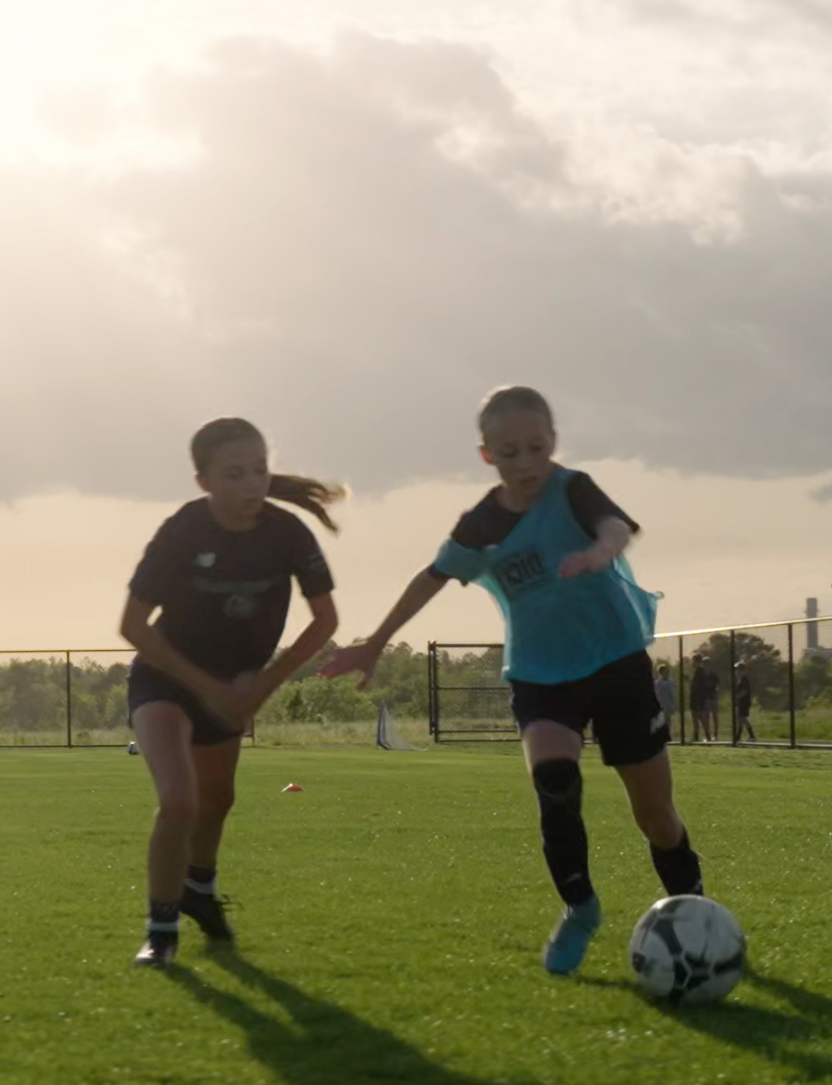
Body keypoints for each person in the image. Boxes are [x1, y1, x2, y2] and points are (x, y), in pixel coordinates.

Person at [323, 385, 703, 976]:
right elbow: (431, 577)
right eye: (509, 452)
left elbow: (616, 527)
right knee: (553, 778)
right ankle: (581, 908)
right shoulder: (482, 524)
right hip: (541, 675)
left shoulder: (572, 488)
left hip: (618, 663)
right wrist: (373, 642)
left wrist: (603, 551)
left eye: (536, 447)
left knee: (655, 816)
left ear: (554, 443)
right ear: (486, 456)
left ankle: (693, 907)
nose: (525, 464)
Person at [120, 416, 342, 967]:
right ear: (204, 482)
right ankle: (162, 930)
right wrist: (214, 688)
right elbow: (134, 627)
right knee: (179, 800)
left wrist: (259, 688)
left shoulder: (288, 533)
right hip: (166, 681)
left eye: (260, 470)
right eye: (235, 474)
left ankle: (200, 888)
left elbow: (325, 622)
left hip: (236, 689)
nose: (251, 485)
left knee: (218, 800)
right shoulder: (182, 531)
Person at [734, 659, 756, 742]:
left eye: (738, 669)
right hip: (741, 702)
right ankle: (738, 736)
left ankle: (752, 736)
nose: (736, 671)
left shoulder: (744, 679)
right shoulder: (740, 680)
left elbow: (744, 691)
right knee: (740, 719)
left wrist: (737, 697)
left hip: (744, 702)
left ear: (742, 670)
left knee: (743, 719)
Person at [654, 663, 677, 742]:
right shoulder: (658, 683)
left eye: (667, 672)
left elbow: (673, 694)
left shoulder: (670, 683)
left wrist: (673, 704)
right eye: (664, 672)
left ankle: (668, 735)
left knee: (668, 720)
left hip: (668, 704)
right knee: (661, 721)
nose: (666, 673)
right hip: (661, 704)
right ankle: (661, 736)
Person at [689, 652, 708, 742]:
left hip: (698, 698)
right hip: (696, 698)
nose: (692, 663)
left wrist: (697, 699)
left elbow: (698, 686)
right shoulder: (698, 671)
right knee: (697, 718)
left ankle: (706, 736)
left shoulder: (699, 671)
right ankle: (696, 736)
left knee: (699, 717)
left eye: (693, 661)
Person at [702, 656, 720, 742]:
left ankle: (715, 735)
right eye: (704, 664)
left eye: (707, 664)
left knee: (715, 717)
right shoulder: (702, 676)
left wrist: (714, 690)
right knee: (706, 717)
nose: (706, 666)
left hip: (713, 698)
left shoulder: (713, 675)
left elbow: (717, 685)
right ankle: (708, 736)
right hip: (706, 698)